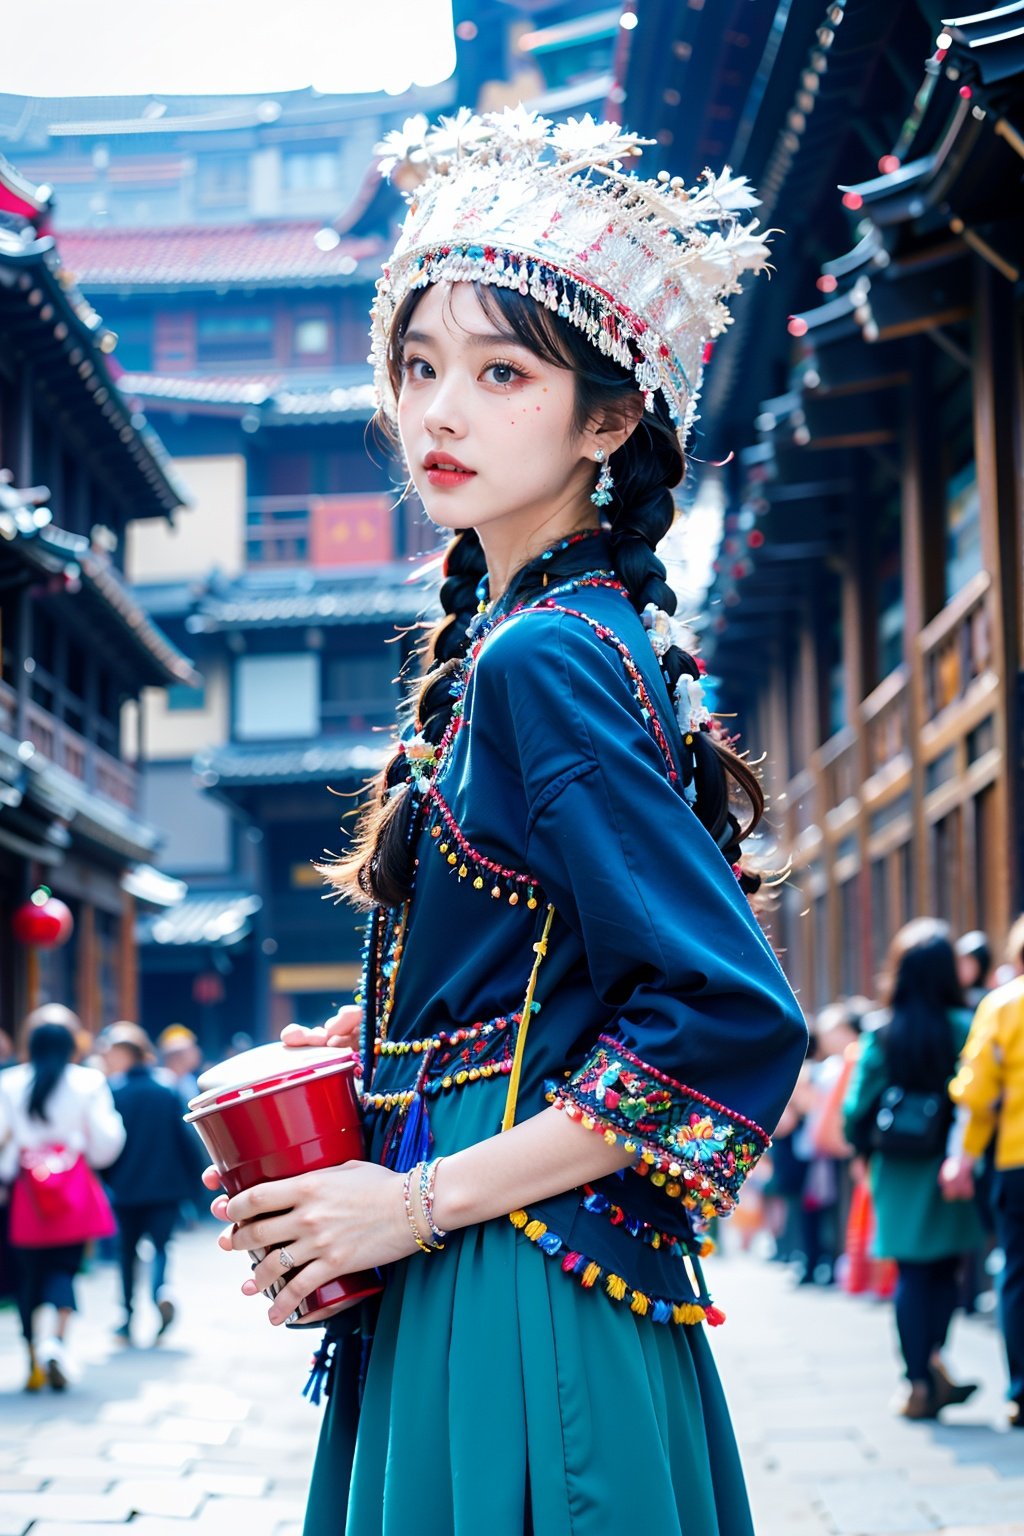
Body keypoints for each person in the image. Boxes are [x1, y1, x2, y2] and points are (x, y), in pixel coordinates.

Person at [208, 107, 808, 1536]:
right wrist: (391, 1043)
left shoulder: (542, 657)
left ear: (609, 419)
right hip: (511, 1246)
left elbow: (724, 1014)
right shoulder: (548, 638)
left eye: (499, 371)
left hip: (507, 1271)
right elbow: (572, 976)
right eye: (417, 369)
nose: (440, 413)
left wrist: (403, 1207)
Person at [843, 920, 984, 1419]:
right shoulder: (964, 1027)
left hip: (896, 1168)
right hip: (949, 1164)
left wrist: (863, 1157)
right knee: (944, 1269)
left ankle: (917, 1380)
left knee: (910, 1272)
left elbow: (856, 1109)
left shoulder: (881, 1033)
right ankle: (932, 1365)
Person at [0, 1005, 125, 1391]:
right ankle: (56, 1339)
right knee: (65, 1269)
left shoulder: (9, 1083)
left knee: (28, 1275)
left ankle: (34, 1354)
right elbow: (106, 1145)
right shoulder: (89, 1082)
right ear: (72, 1044)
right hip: (72, 1191)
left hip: (26, 1193)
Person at [943, 912, 1024, 1427]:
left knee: (1017, 1273)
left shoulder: (1003, 1006)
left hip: (1017, 1160)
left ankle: (1021, 1390)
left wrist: (963, 1157)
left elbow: (977, 1096)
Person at [103, 1021, 205, 1345]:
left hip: (125, 1188)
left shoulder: (114, 1091)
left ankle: (127, 1318)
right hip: (165, 1188)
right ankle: (162, 1290)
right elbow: (186, 1140)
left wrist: (106, 1180)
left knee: (127, 1254)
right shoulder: (166, 1089)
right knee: (161, 1247)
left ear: (126, 1054)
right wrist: (195, 1185)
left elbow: (106, 1144)